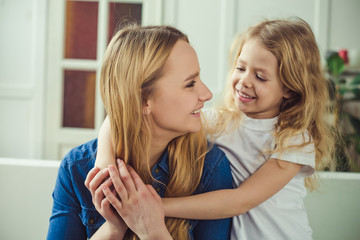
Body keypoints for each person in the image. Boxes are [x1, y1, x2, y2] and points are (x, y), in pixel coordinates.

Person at [94, 18, 339, 240]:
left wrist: (155, 205)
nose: (244, 81)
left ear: (290, 89)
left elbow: (239, 201)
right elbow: (119, 117)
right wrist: (104, 166)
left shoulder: (294, 140)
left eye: (261, 77)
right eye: (241, 68)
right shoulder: (221, 122)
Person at [47, 25, 233, 240]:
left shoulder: (209, 167)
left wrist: (153, 232)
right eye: (190, 84)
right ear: (144, 100)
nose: (207, 94)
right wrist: (114, 228)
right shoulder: (77, 168)